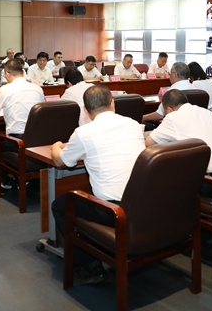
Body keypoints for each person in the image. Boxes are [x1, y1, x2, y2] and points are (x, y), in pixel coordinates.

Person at [51, 85, 146, 284]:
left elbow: (60, 161)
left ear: (86, 110)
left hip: (113, 210)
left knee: (60, 205)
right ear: (112, 102)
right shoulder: (133, 124)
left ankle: (88, 266)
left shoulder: (83, 132)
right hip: (141, 203)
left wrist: (56, 146)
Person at [0, 59, 44, 189]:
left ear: (7, 73)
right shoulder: (37, 89)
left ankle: (7, 180)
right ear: (23, 72)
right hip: (37, 141)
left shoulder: (5, 89)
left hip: (16, 142)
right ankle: (21, 179)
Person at [146, 89, 212, 174]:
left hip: (205, 176)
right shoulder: (206, 112)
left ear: (169, 110)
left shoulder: (173, 117)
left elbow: (149, 142)